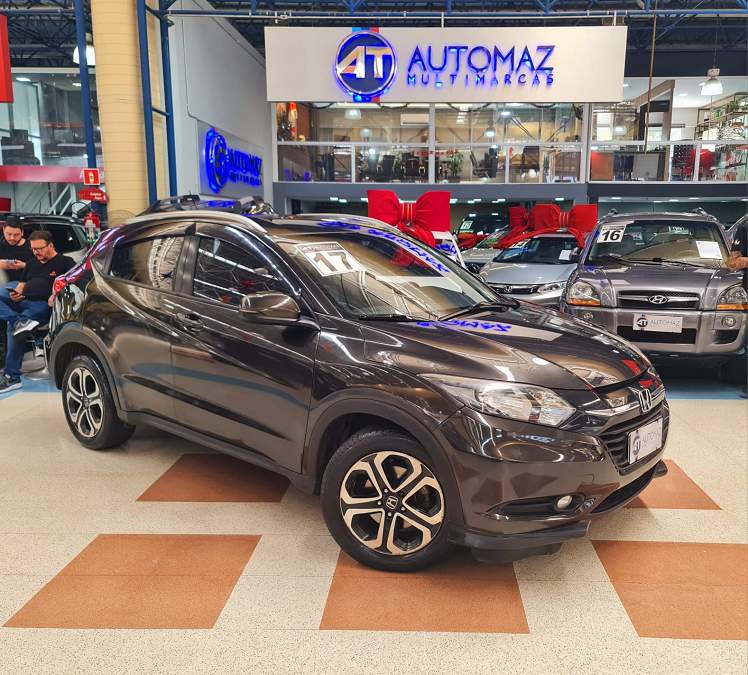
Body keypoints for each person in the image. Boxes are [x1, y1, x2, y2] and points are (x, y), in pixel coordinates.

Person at [0, 230, 74, 393]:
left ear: (50, 246)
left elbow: (72, 283)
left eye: (39, 249)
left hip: (43, 305)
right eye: (33, 249)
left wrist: (54, 295)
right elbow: (22, 284)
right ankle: (18, 320)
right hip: (23, 302)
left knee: (14, 330)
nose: (36, 252)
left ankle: (12, 377)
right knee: (15, 321)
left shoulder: (65, 262)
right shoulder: (32, 263)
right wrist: (17, 294)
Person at [0, 215, 33, 285]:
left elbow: (43, 267)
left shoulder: (32, 246)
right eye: (9, 234)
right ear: (3, 230)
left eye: (16, 235)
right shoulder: (1, 244)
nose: (12, 238)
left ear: (22, 232)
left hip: (23, 284)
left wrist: (24, 265)